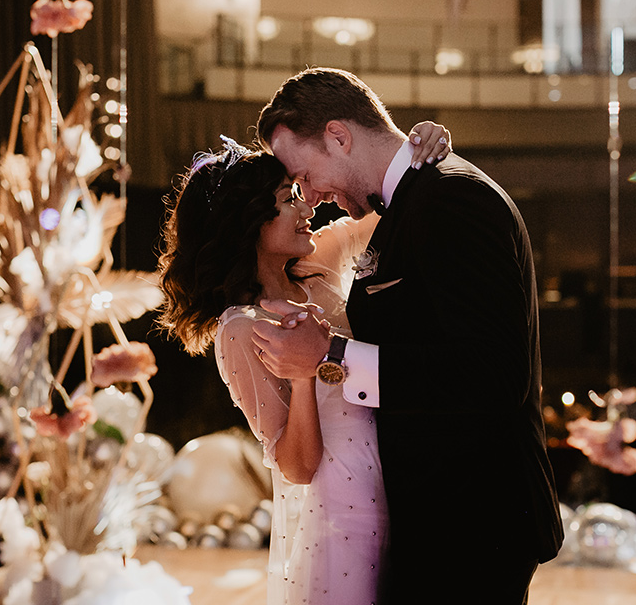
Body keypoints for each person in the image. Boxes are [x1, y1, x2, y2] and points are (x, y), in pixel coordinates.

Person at [251, 67, 563, 604]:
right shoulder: (407, 204)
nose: (311, 195)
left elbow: (494, 373)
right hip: (437, 521)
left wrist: (332, 355)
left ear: (339, 136)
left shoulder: (451, 199)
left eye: (304, 174)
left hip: (472, 525)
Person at [157, 122, 451, 605]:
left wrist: (423, 147)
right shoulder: (242, 328)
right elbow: (295, 464)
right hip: (342, 520)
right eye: (288, 196)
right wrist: (301, 377)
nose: (307, 205)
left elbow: (393, 197)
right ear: (249, 221)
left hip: (405, 487)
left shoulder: (320, 266)